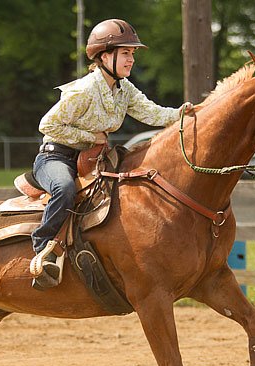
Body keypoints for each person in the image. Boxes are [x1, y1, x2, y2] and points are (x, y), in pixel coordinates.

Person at [30, 18, 194, 289]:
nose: (131, 59)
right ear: (105, 56)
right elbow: (47, 125)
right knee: (64, 187)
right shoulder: (83, 90)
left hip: (94, 158)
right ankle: (42, 249)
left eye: (132, 54)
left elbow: (151, 112)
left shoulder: (124, 88)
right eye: (126, 53)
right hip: (56, 157)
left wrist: (183, 114)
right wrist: (89, 137)